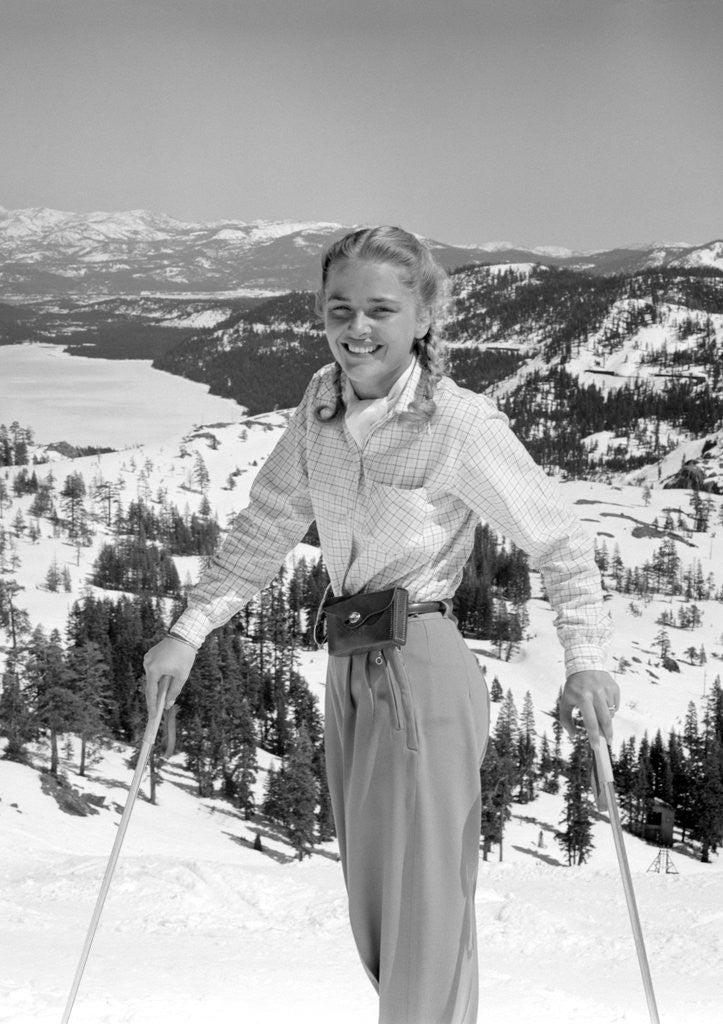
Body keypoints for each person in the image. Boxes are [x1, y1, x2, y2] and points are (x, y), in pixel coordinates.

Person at [144, 226, 618, 1024]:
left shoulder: (459, 424)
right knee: (375, 912)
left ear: (423, 318)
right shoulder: (320, 406)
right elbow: (268, 523)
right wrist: (189, 631)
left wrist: (588, 658)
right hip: (352, 663)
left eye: (378, 310)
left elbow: (558, 538)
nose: (356, 328)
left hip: (422, 660)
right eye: (339, 309)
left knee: (424, 917)